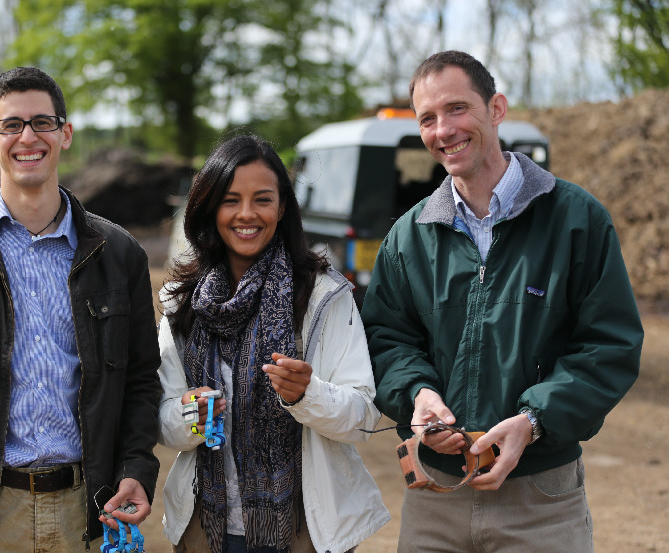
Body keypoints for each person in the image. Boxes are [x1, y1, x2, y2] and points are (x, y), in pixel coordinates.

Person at [361, 50, 643, 552]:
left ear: (496, 108)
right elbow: (386, 339)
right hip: (435, 499)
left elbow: (609, 346)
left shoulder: (578, 221)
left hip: (540, 500)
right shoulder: (408, 236)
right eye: (428, 118)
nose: (443, 130)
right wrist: (419, 396)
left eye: (457, 109)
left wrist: (534, 421)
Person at [0, 67, 162, 552]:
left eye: (42, 122)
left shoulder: (120, 255)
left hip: (92, 504)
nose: (28, 137)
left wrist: (137, 469)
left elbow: (142, 379)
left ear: (66, 133)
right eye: (11, 125)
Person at [157, 134, 390, 553]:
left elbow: (362, 418)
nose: (246, 214)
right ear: (210, 207)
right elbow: (163, 425)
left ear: (282, 207)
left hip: (303, 531)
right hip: (207, 531)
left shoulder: (323, 297)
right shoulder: (182, 303)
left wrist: (308, 394)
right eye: (231, 200)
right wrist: (194, 412)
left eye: (262, 199)